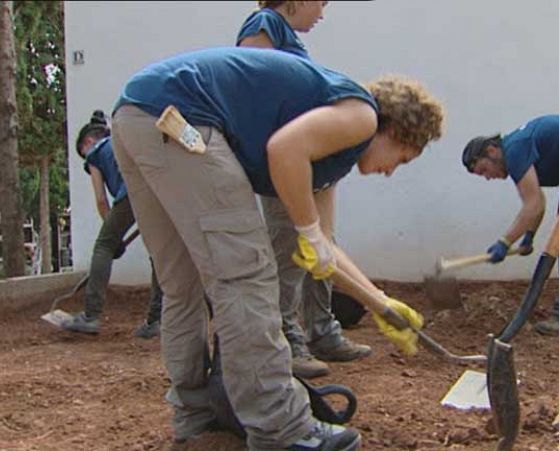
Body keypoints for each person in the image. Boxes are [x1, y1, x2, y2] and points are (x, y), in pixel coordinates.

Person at [110, 47, 443, 450]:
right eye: (403, 159)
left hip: (136, 116)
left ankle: (197, 417)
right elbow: (284, 150)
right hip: (182, 119)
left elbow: (322, 245)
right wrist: (309, 231)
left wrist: (380, 303)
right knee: (248, 276)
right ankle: (284, 430)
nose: (391, 172)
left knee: (182, 286)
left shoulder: (329, 154)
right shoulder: (362, 116)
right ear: (397, 130)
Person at [236, 0, 370, 379]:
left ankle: (322, 330)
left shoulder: (288, 37)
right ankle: (287, 339)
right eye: (322, 3)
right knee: (291, 250)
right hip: (283, 163)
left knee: (322, 247)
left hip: (305, 161)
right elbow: (252, 86)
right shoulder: (265, 23)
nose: (322, 13)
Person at [462, 114, 559, 336]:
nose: (488, 177)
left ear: (491, 151)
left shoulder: (514, 151)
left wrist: (504, 242)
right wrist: (529, 236)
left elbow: (534, 204)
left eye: (484, 170)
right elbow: (538, 201)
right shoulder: (516, 146)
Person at [61, 111, 163, 339]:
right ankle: (156, 319)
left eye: (82, 153)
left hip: (130, 194)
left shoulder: (95, 154)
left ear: (88, 142)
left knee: (103, 247)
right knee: (159, 253)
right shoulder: (123, 139)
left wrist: (113, 235)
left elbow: (100, 198)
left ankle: (90, 315)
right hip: (158, 190)